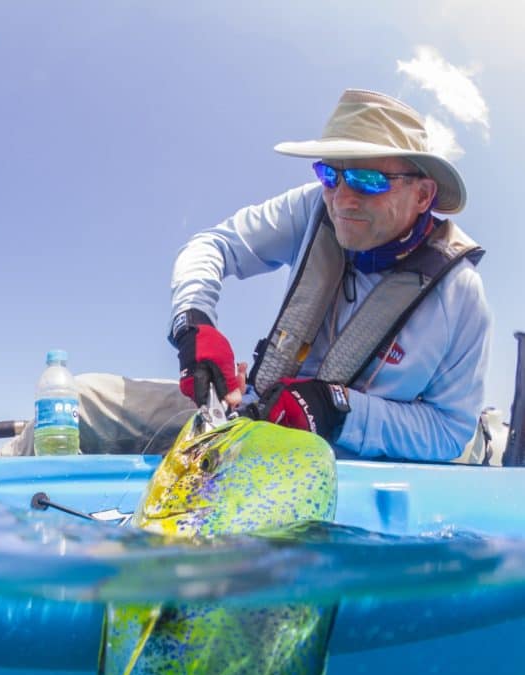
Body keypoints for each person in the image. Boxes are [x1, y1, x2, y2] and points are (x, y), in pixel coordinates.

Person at [169, 89, 492, 462]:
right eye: (329, 174)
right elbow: (212, 245)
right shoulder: (310, 207)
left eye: (368, 180)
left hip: (339, 468)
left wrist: (339, 411)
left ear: (423, 195)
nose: (341, 198)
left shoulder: (461, 294)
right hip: (243, 419)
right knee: (92, 400)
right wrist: (193, 322)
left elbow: (449, 431)